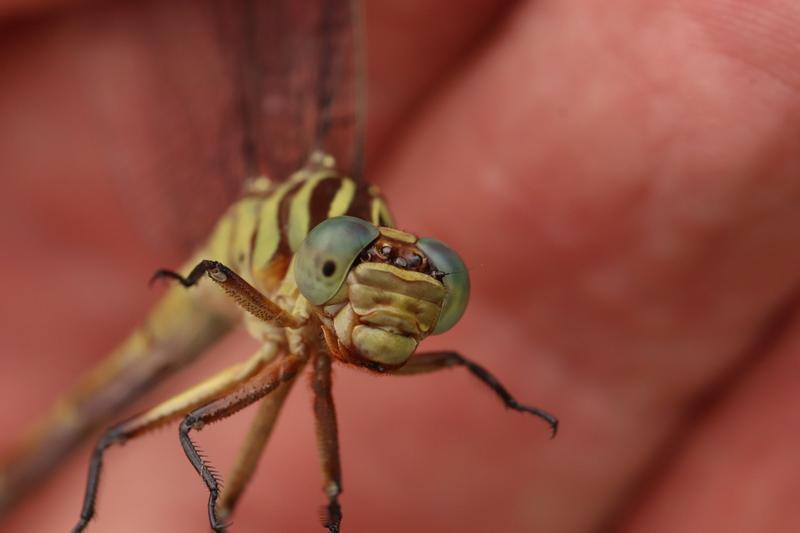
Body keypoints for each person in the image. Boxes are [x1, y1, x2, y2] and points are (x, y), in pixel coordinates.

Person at [1, 1, 799, 532]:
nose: (394, 303)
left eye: (433, 295)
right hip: (193, 298)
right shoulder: (282, 295)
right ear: (310, 266)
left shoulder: (328, 300)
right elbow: (212, 291)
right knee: (147, 451)